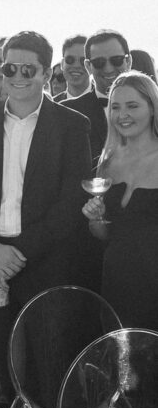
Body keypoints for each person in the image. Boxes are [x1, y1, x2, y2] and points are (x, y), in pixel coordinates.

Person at [0, 30, 92, 401]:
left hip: (47, 264)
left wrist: (17, 256)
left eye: (29, 69)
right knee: (7, 369)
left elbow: (72, 201)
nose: (19, 76)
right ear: (0, 71)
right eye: (10, 67)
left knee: (51, 366)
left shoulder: (72, 125)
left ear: (44, 71)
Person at [82, 72, 158, 330]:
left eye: (132, 106)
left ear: (152, 107)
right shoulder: (108, 162)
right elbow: (105, 234)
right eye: (116, 107)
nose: (122, 114)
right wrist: (95, 218)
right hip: (117, 285)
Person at [62, 29, 132, 165]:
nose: (108, 68)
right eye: (99, 62)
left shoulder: (152, 107)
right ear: (88, 66)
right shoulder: (67, 112)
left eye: (116, 60)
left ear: (128, 61)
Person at [58, 34, 90, 100]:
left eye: (82, 61)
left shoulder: (108, 104)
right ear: (62, 64)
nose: (76, 66)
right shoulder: (50, 107)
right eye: (70, 60)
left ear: (90, 65)